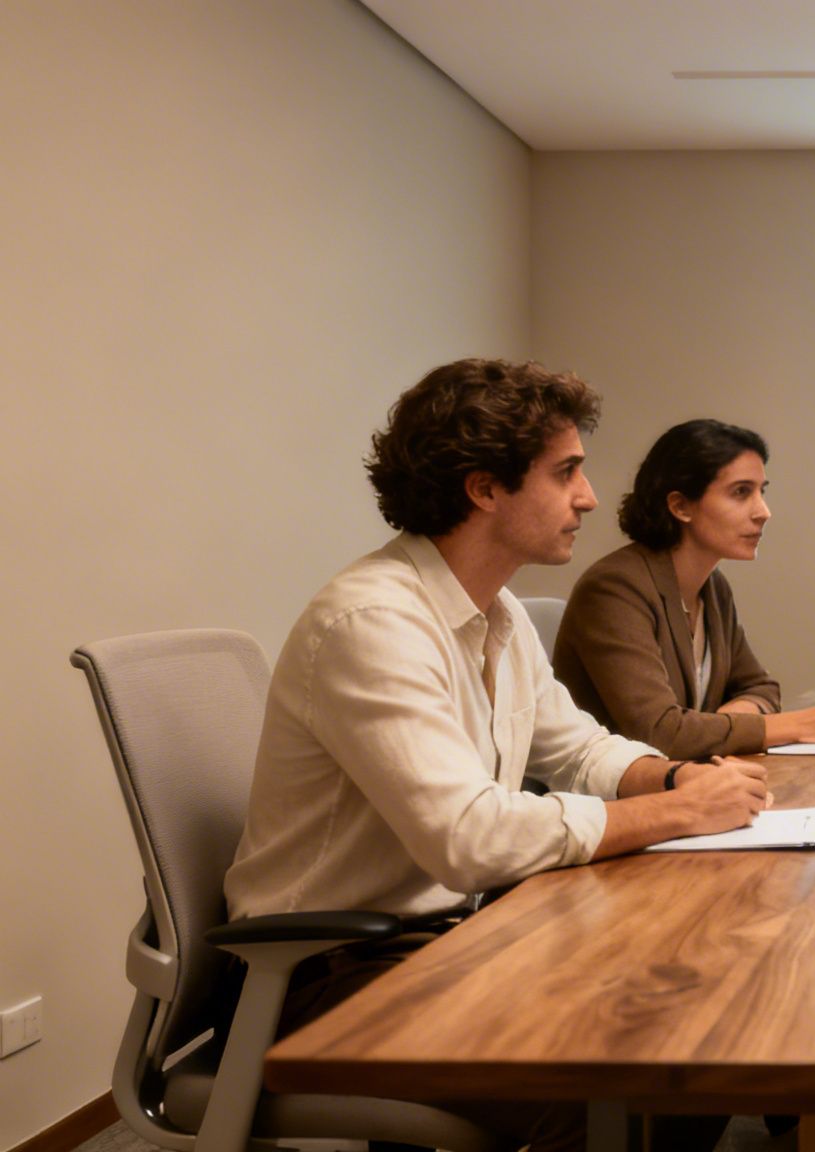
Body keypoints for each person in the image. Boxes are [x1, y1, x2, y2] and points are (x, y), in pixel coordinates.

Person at [226, 359, 760, 1151]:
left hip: (449, 938)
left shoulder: (496, 609)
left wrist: (681, 774)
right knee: (619, 1088)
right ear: (484, 489)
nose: (587, 496)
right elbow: (469, 838)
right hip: (329, 973)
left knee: (700, 1033)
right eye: (566, 473)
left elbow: (578, 749)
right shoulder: (372, 623)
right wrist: (676, 810)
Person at [553, 419, 815, 758]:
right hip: (613, 802)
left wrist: (708, 728)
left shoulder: (713, 586)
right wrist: (798, 725)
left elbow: (760, 688)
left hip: (690, 784)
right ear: (680, 506)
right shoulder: (614, 589)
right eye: (741, 492)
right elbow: (660, 733)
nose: (763, 512)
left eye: (762, 491)